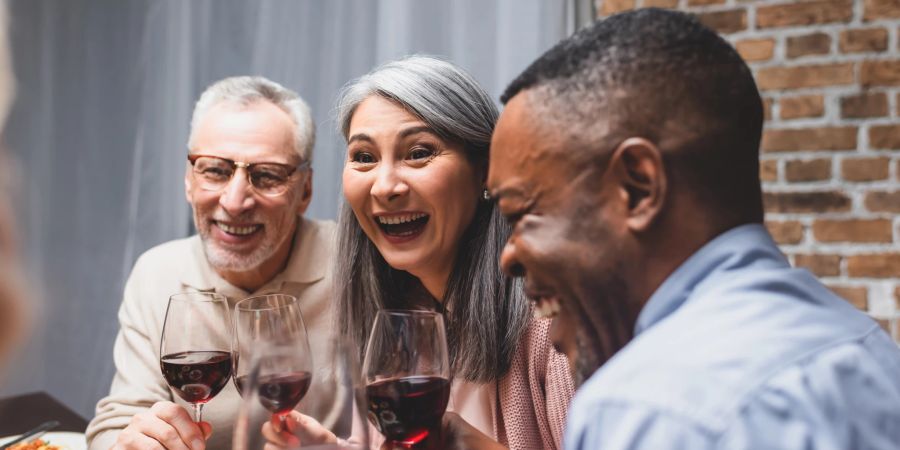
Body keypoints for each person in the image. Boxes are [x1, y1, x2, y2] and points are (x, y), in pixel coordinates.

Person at [487, 8, 900, 450]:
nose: (507, 256)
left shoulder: (645, 407)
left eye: (521, 213)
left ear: (638, 186)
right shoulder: (870, 351)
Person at [266, 56, 573, 450]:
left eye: (418, 152)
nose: (384, 186)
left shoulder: (554, 319)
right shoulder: (395, 318)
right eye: (364, 157)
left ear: (486, 170)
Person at [86, 76, 348, 450]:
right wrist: (127, 443)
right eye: (215, 170)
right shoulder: (156, 273)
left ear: (304, 191)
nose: (235, 201)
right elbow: (118, 422)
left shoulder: (357, 264)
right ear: (189, 180)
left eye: (267, 175)